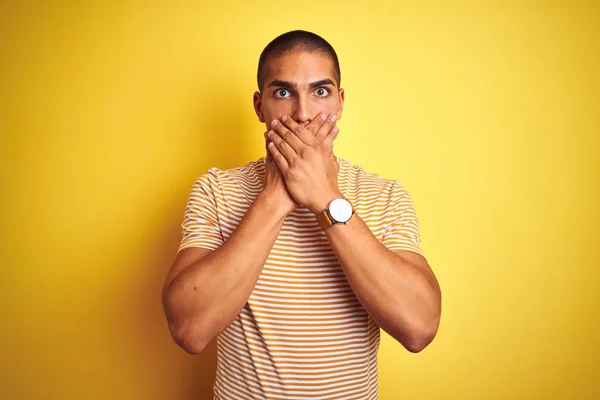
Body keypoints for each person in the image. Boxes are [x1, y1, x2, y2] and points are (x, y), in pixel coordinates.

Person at [162, 30, 442, 400]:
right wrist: (276, 197)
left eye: (320, 91)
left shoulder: (385, 196)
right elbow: (189, 330)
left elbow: (419, 327)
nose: (304, 113)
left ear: (340, 102)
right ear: (259, 106)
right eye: (283, 92)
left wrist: (326, 198)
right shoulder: (217, 191)